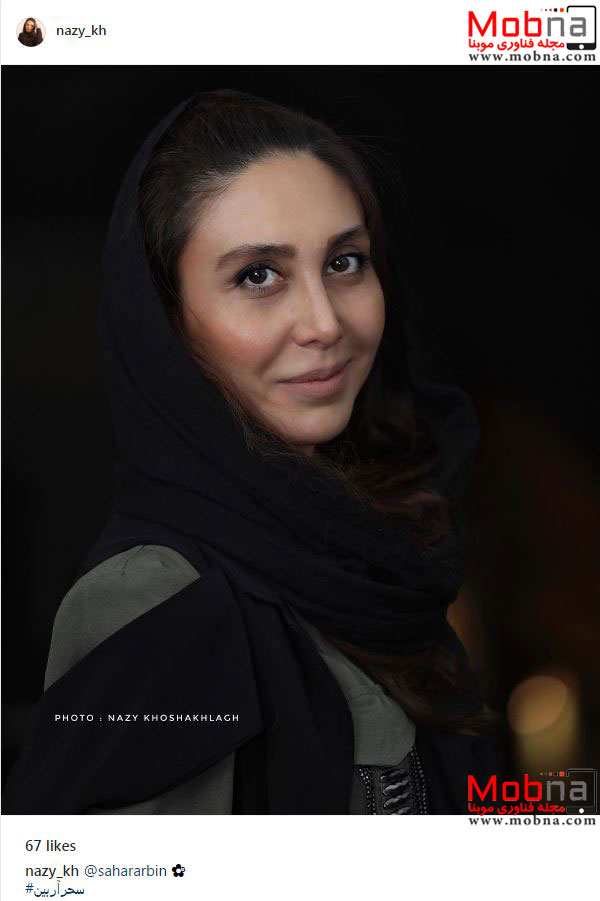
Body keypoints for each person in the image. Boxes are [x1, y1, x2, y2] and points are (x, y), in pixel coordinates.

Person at [3, 89, 506, 815]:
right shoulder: (152, 597)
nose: (324, 322)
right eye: (258, 275)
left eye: (345, 261)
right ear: (168, 323)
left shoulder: (383, 556)